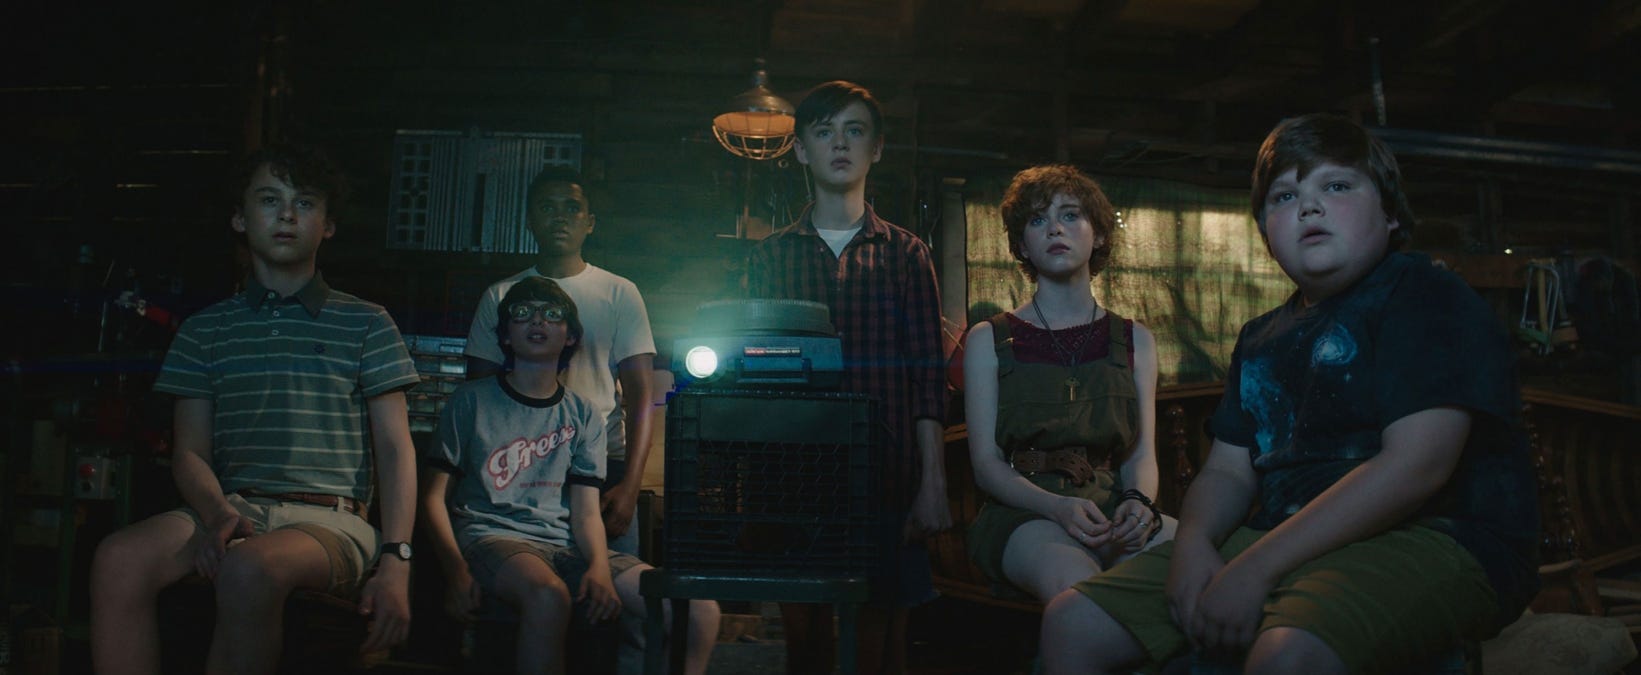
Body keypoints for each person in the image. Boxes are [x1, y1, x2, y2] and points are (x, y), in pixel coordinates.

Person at [1039, 113, 1541, 675]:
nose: (1309, 207)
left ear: (1391, 214)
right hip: (1280, 535)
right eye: (1284, 196)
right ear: (1265, 235)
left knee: (1287, 654)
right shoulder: (1260, 337)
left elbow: (1416, 466)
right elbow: (1228, 472)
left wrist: (1256, 569)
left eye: (1336, 185)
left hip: (1439, 535)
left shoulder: (1421, 293)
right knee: (1071, 621)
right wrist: (1193, 546)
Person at [90, 145, 422, 675]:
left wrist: (397, 560)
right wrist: (219, 514)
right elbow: (189, 452)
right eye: (269, 200)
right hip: (231, 509)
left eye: (304, 203)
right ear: (240, 219)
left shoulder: (367, 323)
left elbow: (396, 449)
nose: (287, 215)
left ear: (328, 225)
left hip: (331, 521)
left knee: (248, 568)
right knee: (118, 558)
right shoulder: (204, 330)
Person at [744, 80, 952, 675]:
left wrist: (933, 482)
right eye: (824, 131)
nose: (840, 144)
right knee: (804, 642)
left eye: (854, 131)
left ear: (876, 148)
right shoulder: (770, 256)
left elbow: (927, 376)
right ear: (801, 150)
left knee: (878, 643)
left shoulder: (905, 254)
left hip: (885, 475)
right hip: (792, 477)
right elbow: (755, 374)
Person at [425, 277, 718, 675]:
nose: (538, 320)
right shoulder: (471, 401)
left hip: (566, 546)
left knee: (698, 610)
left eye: (552, 313)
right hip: (493, 537)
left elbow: (585, 511)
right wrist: (455, 570)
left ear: (571, 336)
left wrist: (599, 565)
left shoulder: (583, 414)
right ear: (506, 335)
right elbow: (433, 498)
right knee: (549, 596)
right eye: (523, 313)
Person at [962, 165, 1174, 605]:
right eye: (1038, 219)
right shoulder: (989, 338)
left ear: (1098, 235)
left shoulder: (1135, 339)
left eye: (1071, 215)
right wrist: (1055, 507)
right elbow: (986, 464)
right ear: (1022, 245)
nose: (1055, 228)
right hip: (1025, 512)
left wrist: (1138, 502)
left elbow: (1140, 453)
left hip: (1108, 504)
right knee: (1079, 589)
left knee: (1195, 565)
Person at [463, 167, 656, 558]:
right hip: (521, 462)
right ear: (530, 221)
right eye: (547, 208)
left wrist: (631, 485)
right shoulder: (502, 295)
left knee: (612, 583)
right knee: (530, 575)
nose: (560, 217)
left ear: (590, 222)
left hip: (602, 463)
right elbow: (478, 397)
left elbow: (641, 397)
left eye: (572, 208)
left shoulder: (619, 293)